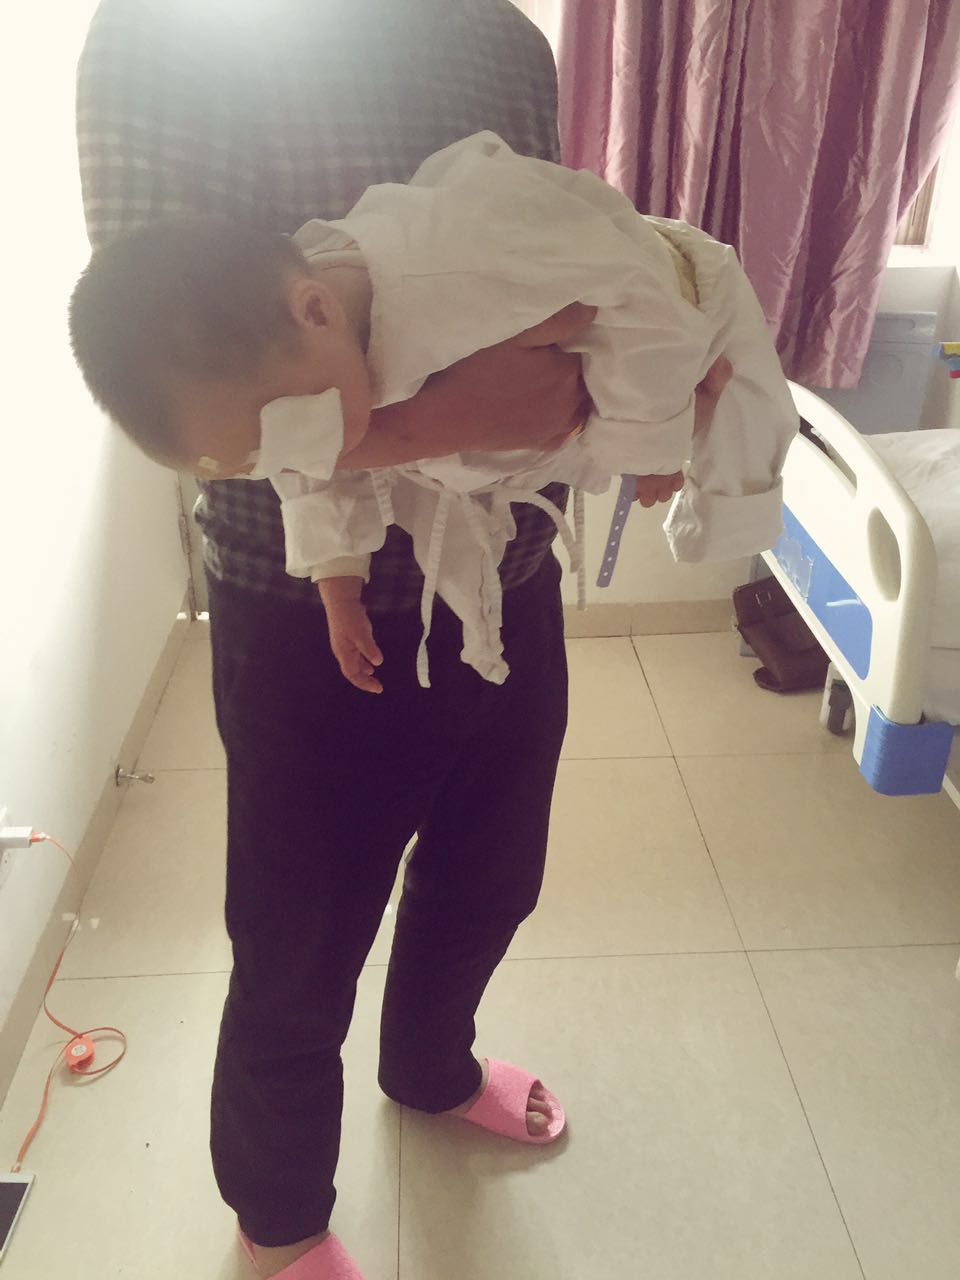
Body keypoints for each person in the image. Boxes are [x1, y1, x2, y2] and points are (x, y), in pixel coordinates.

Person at [74, 4, 725, 1278]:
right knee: (299, 946)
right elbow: (182, 368)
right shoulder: (165, 35)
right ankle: (278, 1214)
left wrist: (669, 352)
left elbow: (565, 265)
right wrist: (450, 419)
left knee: (493, 872)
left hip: (505, 567)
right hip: (302, 597)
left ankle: (432, 1065)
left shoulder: (504, 39)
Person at [69, 132, 790, 696]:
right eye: (266, 463)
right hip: (547, 397)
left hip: (675, 287)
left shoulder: (455, 270)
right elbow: (306, 471)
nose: (319, 460)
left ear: (316, 311)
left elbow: (641, 304)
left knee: (745, 423)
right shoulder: (295, 361)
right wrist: (338, 584)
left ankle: (762, 594)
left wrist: (650, 447)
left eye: (295, 440)